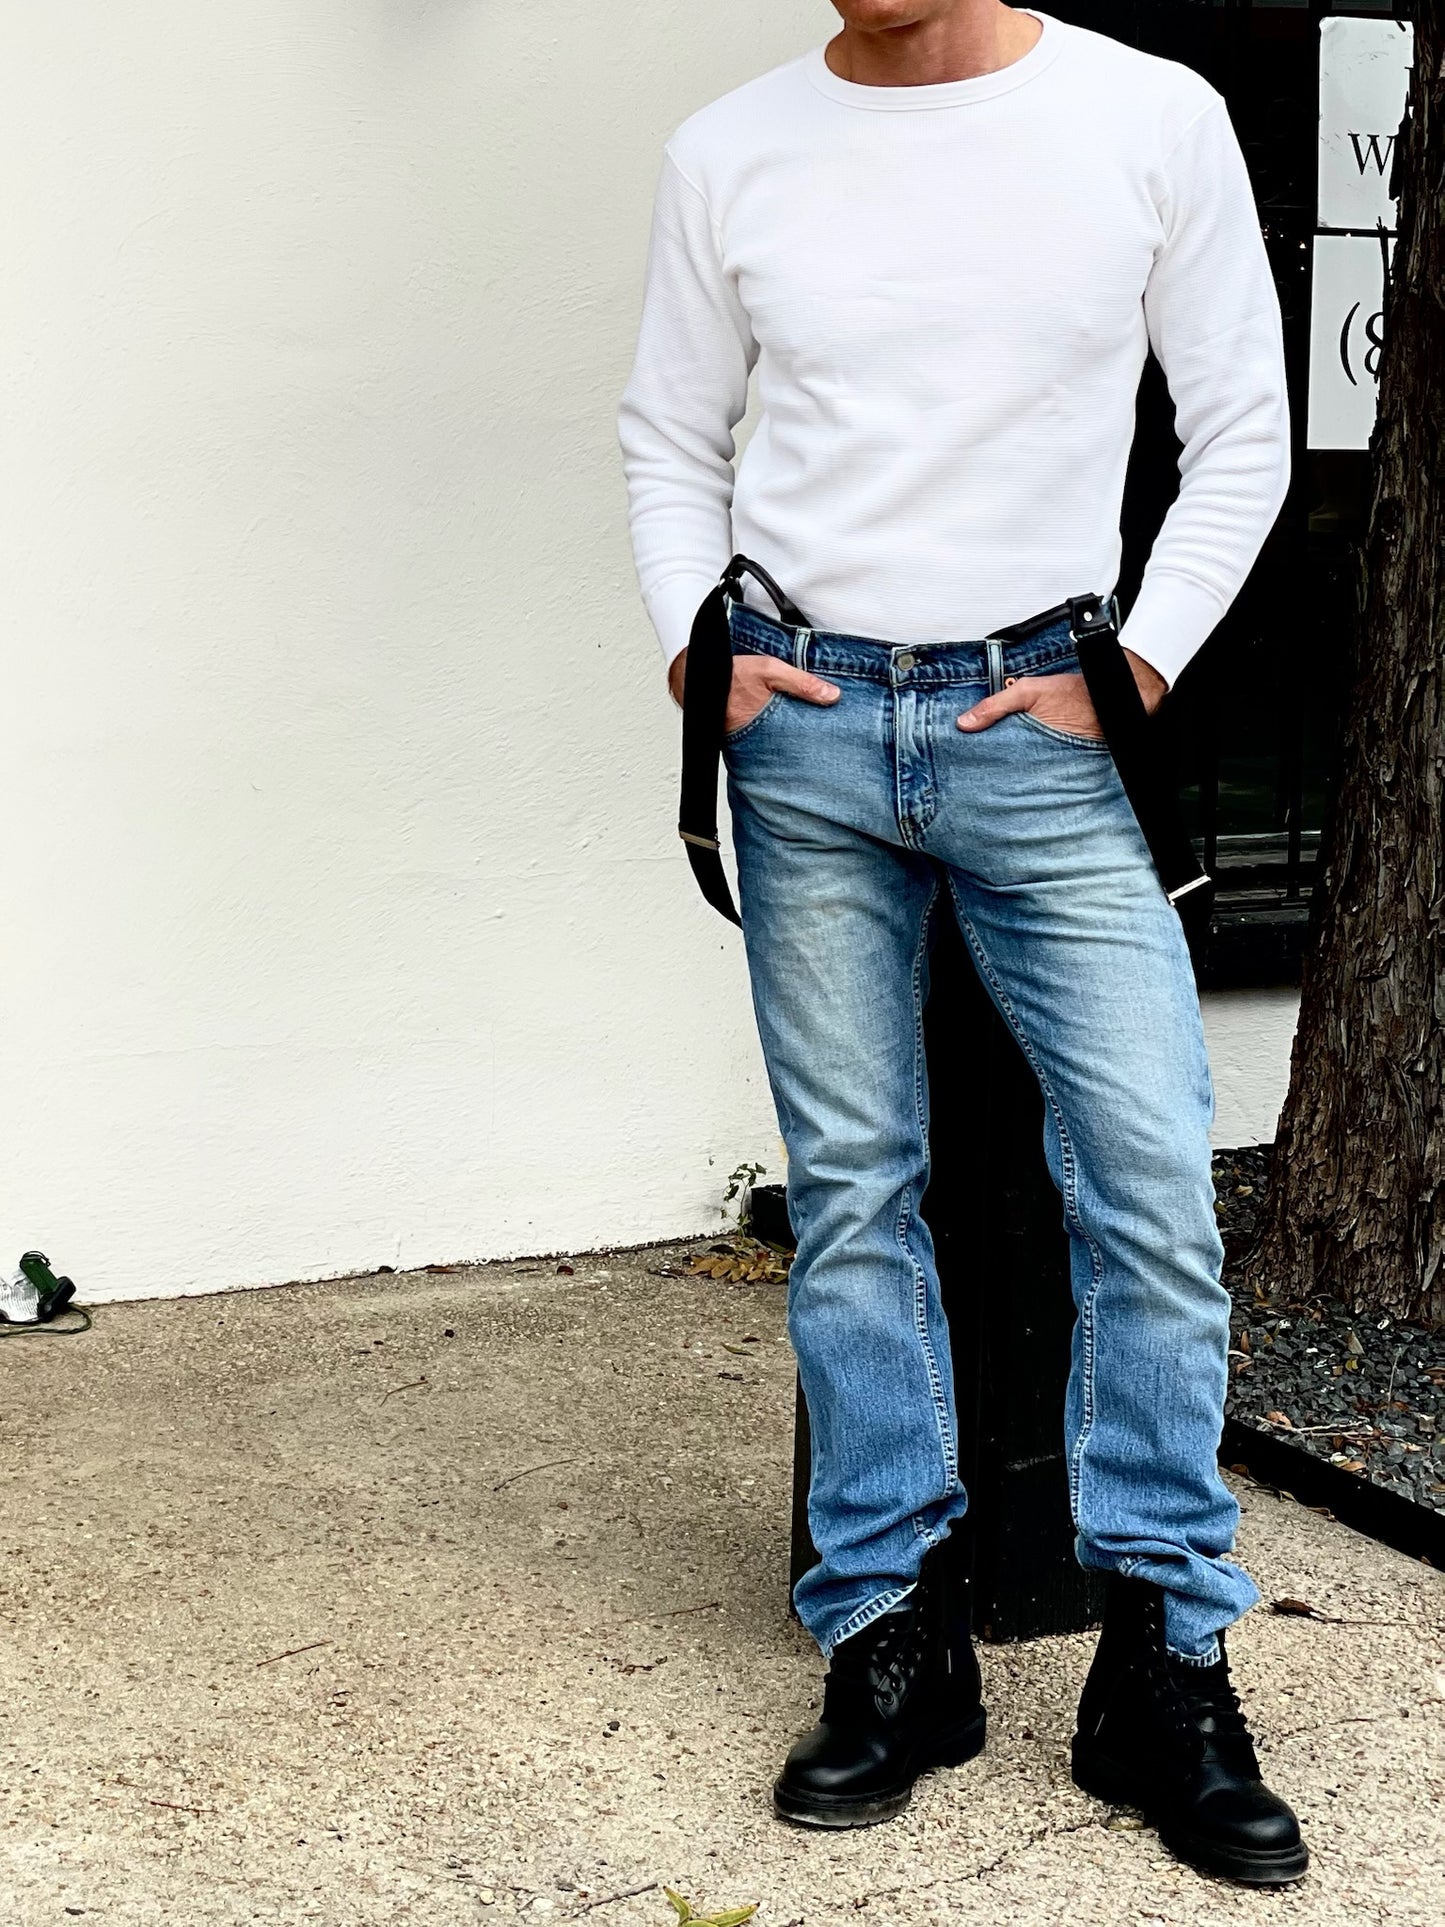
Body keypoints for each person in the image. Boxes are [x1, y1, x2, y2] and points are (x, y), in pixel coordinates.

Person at [619, 0, 1305, 1888]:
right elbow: (669, 432)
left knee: (1151, 1185)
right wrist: (701, 648)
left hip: (1045, 724)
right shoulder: (730, 150)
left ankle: (1163, 1660)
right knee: (853, 1197)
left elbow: (1239, 426)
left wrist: (1140, 663)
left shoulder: (1148, 118)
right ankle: (890, 1639)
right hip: (809, 737)